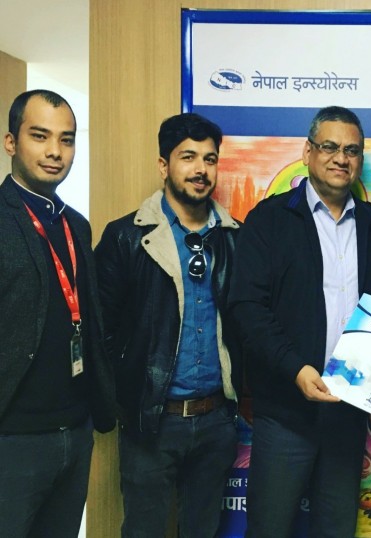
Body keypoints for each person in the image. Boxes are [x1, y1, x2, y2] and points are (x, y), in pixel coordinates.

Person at [229, 105, 371, 538]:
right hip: (285, 413)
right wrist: (296, 369)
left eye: (351, 150)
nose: (340, 158)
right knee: (269, 530)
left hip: (348, 413)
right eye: (329, 147)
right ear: (308, 152)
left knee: (336, 529)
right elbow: (246, 308)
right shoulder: (269, 220)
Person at [94, 113, 240, 537]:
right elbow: (101, 331)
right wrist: (126, 398)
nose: (200, 169)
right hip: (151, 422)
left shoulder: (234, 237)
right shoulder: (126, 237)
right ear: (164, 165)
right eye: (187, 157)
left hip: (216, 421)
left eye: (209, 159)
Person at [0, 89, 116, 537]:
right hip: (13, 438)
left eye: (66, 139)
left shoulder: (76, 225)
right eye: (40, 135)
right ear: (11, 142)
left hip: (75, 430)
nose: (55, 151)